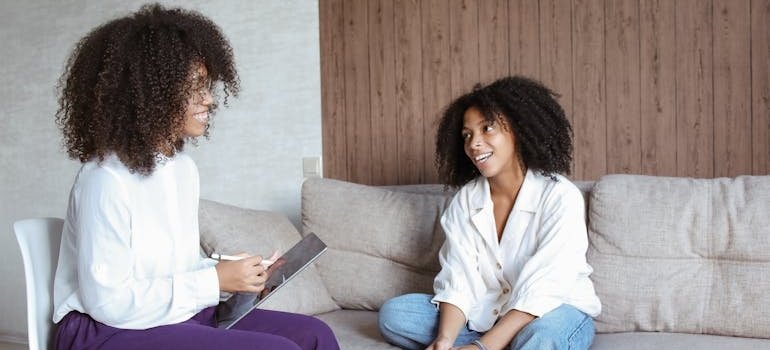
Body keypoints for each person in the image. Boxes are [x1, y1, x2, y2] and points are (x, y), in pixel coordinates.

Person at [52, 4, 340, 350]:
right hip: (103, 329)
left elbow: (174, 269)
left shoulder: (182, 169)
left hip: (170, 314)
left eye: (208, 86)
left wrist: (233, 275)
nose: (209, 100)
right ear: (149, 94)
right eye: (195, 88)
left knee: (316, 335)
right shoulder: (104, 180)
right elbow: (109, 302)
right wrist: (213, 281)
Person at [378, 76, 601, 350]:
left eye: (487, 128)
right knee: (396, 315)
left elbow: (545, 287)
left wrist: (482, 347)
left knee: (544, 338)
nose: (474, 143)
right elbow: (459, 277)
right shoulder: (466, 200)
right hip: (487, 314)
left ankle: (504, 343)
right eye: (467, 135)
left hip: (553, 312)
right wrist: (444, 340)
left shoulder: (559, 196)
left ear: (518, 129)